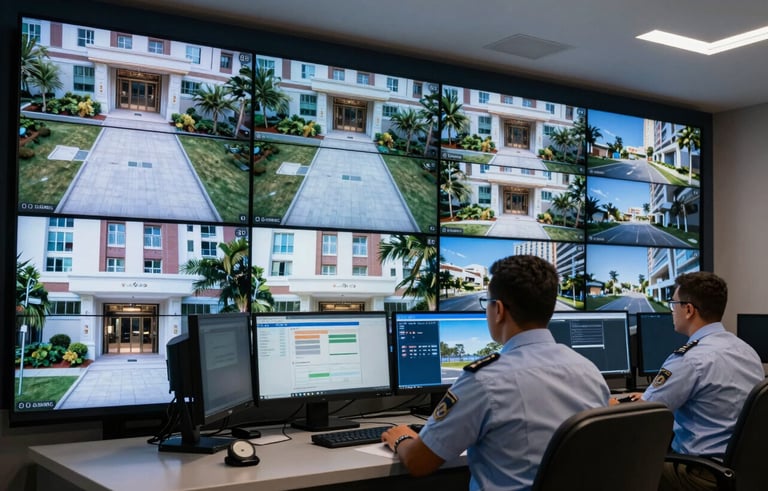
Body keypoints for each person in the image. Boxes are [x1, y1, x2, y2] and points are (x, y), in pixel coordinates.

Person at [381, 255, 611, 490]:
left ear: (498, 310)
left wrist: (401, 437)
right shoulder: (589, 371)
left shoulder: (483, 380)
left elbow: (419, 462)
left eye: (487, 303)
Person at [615, 271, 763, 491]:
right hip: (743, 472)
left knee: (619, 468)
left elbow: (644, 416)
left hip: (700, 475)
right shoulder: (747, 351)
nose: (672, 310)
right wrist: (648, 397)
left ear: (689, 310)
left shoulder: (689, 359)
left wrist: (609, 403)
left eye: (673, 303)